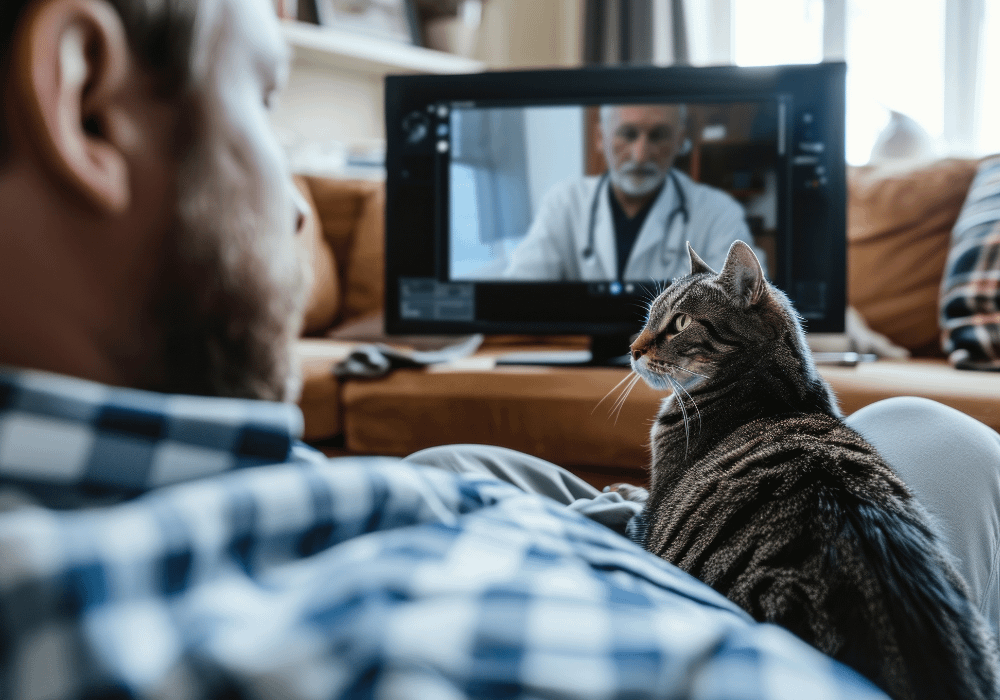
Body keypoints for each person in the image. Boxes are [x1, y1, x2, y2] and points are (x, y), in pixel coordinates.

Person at [0, 1, 994, 698]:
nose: (300, 217)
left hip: (430, 507)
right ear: (85, 98)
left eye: (658, 135)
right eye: (264, 98)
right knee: (926, 434)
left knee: (462, 463)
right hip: (688, 589)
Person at [502, 103, 765, 282]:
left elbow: (738, 307)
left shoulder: (718, 213)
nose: (640, 156)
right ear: (600, 137)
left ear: (679, 139)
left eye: (658, 136)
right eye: (627, 134)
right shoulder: (565, 203)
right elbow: (516, 293)